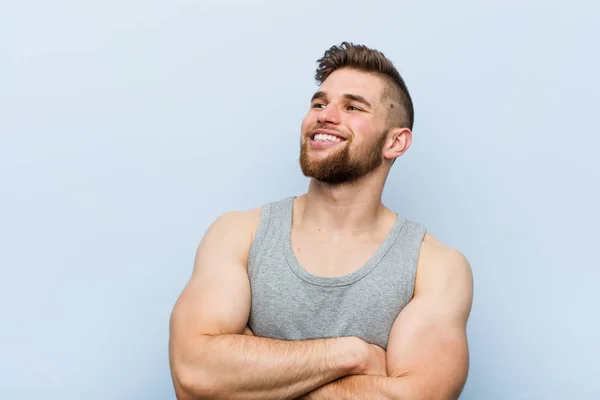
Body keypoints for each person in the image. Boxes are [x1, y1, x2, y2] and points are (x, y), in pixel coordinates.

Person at [168, 42, 474, 400]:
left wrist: (250, 378)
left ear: (396, 142)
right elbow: (194, 373)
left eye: (352, 106)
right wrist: (353, 356)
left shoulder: (435, 266)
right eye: (319, 103)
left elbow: (419, 396)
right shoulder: (238, 234)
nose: (325, 115)